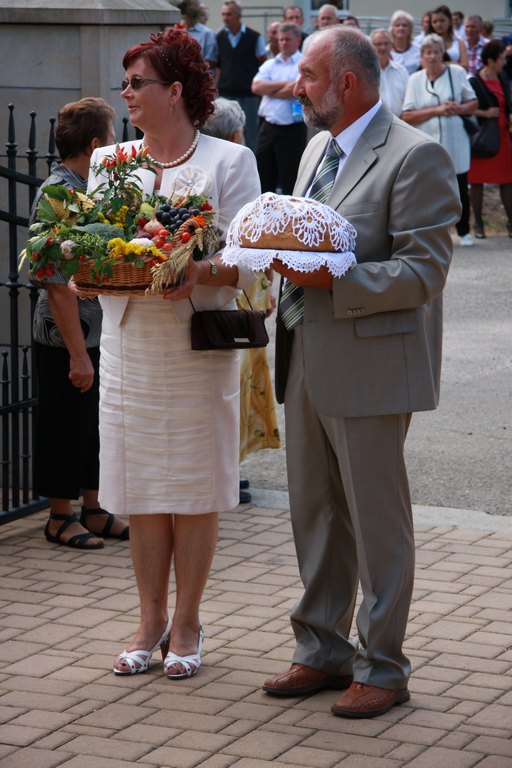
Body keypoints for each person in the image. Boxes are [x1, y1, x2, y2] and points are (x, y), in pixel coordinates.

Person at [262, 25, 461, 719]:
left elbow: (424, 272)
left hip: (371, 364)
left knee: (376, 523)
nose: (296, 87)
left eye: (309, 77)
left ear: (346, 84)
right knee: (315, 512)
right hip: (303, 355)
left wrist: (329, 277)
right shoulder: (315, 146)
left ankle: (384, 666)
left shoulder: (416, 155)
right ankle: (322, 650)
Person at [88, 28, 260, 679]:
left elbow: (248, 260)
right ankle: (149, 619)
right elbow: (95, 241)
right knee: (141, 488)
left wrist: (201, 270)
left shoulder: (229, 161)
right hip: (130, 343)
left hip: (196, 347)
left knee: (192, 487)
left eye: (138, 83)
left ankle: (187, 622)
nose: (126, 94)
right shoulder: (110, 161)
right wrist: (85, 269)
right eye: (125, 83)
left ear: (176, 90)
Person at [30, 97, 129, 550]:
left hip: (95, 330)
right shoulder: (58, 193)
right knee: (65, 424)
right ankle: (59, 516)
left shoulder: (88, 189)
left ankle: (94, 507)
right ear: (94, 146)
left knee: (94, 424)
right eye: (111, 138)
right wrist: (76, 355)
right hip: (64, 335)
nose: (117, 145)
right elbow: (54, 283)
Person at [202, 97, 281, 502]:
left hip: (225, 291)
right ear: (236, 135)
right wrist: (265, 291)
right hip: (236, 294)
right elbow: (253, 243)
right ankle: (224, 471)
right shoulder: (236, 167)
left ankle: (227, 468)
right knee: (234, 385)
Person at [401, 34, 478, 247]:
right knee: (428, 190)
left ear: (443, 53)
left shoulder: (457, 73)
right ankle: (432, 234)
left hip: (455, 140)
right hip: (426, 142)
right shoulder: (415, 79)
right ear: (422, 56)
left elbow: (473, 103)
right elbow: (407, 115)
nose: (433, 56)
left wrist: (457, 108)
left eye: (436, 52)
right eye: (428, 53)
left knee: (459, 187)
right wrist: (437, 110)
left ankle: (464, 231)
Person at [252, 22, 307, 194]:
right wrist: (287, 84)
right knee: (263, 178)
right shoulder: (270, 64)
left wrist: (270, 90)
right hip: (268, 128)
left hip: (292, 130)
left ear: (298, 40)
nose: (283, 43)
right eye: (281, 39)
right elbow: (256, 87)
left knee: (290, 180)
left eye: (287, 39)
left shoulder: (304, 63)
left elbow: (296, 90)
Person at [468, 40, 512, 239]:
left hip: (503, 136)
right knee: (477, 180)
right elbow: (467, 108)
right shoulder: (474, 81)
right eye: (501, 58)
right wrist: (484, 113)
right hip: (483, 138)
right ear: (491, 61)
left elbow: (507, 102)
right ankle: (478, 224)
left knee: (508, 180)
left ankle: (510, 222)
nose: (504, 62)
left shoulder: (503, 76)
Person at [216, 0, 267, 151]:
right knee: (224, 136)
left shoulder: (254, 37)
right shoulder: (219, 37)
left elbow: (263, 65)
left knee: (251, 137)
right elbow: (216, 66)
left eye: (229, 14)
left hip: (248, 96)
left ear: (239, 15)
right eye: (223, 14)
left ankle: (252, 165)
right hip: (225, 95)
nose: (225, 18)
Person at [370, 28, 409, 117]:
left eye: (386, 44)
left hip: (400, 122)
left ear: (391, 46)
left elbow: (408, 101)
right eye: (378, 44)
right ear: (371, 46)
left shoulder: (401, 71)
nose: (383, 48)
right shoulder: (364, 72)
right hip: (374, 123)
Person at [178, 0, 219, 70]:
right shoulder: (180, 33)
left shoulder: (208, 33)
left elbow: (212, 61)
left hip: (201, 74)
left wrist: (192, 65)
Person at [428, 5, 469, 70]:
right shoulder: (428, 42)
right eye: (434, 22)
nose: (438, 24)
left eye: (442, 21)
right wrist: (453, 63)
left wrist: (445, 64)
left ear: (450, 21)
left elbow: (465, 67)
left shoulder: (459, 42)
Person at [389, 10, 421, 75]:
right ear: (392, 29)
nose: (401, 28)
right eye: (397, 25)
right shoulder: (386, 50)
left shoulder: (419, 50)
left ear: (410, 29)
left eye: (405, 25)